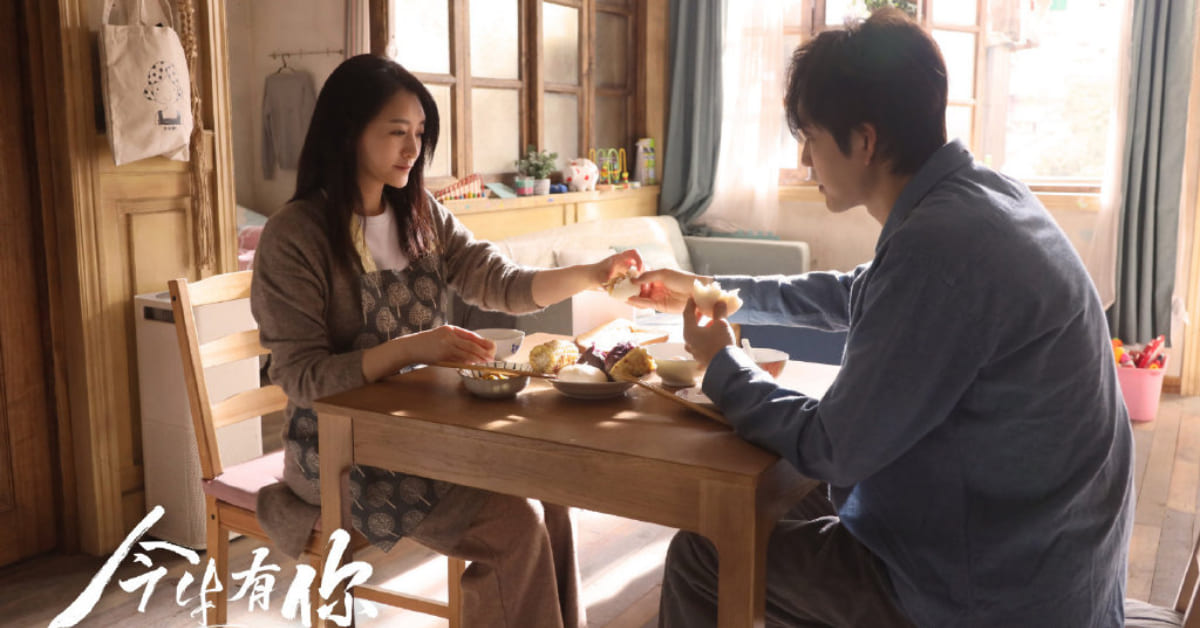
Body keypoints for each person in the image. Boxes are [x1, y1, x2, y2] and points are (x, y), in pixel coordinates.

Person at [633, 9, 1133, 627]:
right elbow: (858, 292)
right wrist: (711, 289)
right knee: (759, 503)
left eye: (811, 138)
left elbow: (832, 447)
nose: (805, 159)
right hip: (1047, 555)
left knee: (704, 554)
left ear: (865, 141)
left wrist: (719, 364)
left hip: (992, 591)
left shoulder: (938, 246)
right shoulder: (985, 197)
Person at [251, 54, 642, 628]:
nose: (413, 149)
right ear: (348, 131)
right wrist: (413, 348)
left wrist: (592, 273)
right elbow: (302, 377)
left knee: (552, 492)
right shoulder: (295, 236)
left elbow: (504, 283)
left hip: (428, 430)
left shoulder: (422, 214)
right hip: (338, 450)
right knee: (515, 529)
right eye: (396, 132)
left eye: (420, 133)